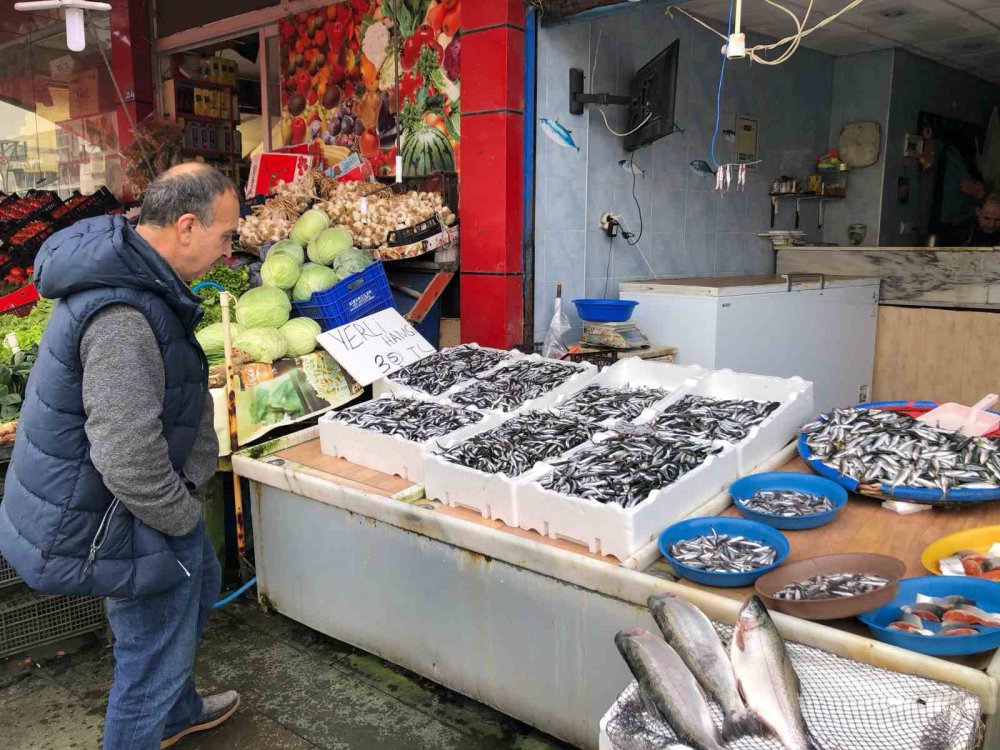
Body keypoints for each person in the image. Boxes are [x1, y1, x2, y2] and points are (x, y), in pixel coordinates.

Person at [0, 163, 241, 749]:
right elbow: (128, 457)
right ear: (187, 226)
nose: (229, 253)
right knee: (149, 654)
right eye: (226, 236)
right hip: (121, 513)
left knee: (197, 585)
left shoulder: (137, 281)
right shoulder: (124, 317)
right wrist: (180, 517)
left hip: (122, 502)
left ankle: (178, 711)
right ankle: (150, 721)